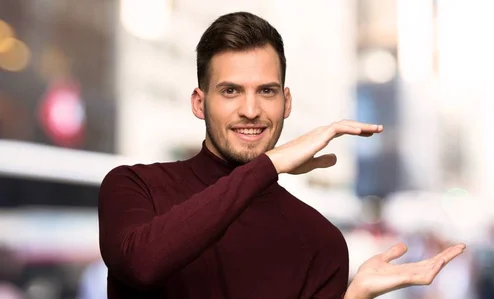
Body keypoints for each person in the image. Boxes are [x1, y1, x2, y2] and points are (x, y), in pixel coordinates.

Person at [98, 11, 465, 299]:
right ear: (199, 103)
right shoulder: (134, 186)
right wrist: (268, 166)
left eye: (267, 91)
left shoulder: (320, 241)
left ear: (286, 102)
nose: (251, 109)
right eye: (230, 91)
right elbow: (141, 265)